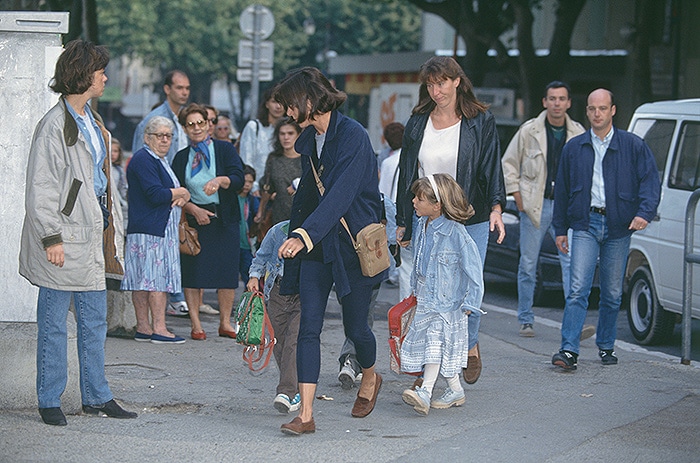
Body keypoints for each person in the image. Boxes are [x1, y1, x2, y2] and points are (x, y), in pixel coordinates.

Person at [19, 39, 137, 426]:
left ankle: (96, 396)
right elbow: (42, 186)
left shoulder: (92, 121)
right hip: (63, 239)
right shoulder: (55, 126)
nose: (105, 76)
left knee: (93, 321)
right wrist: (51, 237)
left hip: (90, 235)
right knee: (53, 324)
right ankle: (49, 399)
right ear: (84, 75)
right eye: (100, 70)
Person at [274, 67, 387, 435]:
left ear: (310, 100)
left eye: (292, 105)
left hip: (353, 246)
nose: (289, 114)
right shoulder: (310, 140)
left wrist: (305, 234)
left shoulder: (353, 135)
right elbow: (307, 196)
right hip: (317, 247)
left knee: (357, 327)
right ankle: (305, 415)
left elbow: (342, 194)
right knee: (308, 327)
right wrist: (293, 237)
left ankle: (370, 374)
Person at [396, 56, 506, 386]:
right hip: (428, 219)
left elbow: (491, 166)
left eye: (442, 82)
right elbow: (407, 173)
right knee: (429, 292)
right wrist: (404, 219)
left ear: (457, 81)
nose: (436, 90)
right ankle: (428, 365)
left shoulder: (479, 120)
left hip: (469, 216)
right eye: (430, 84)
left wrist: (497, 207)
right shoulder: (418, 122)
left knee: (466, 287)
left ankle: (468, 345)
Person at [551, 89, 661, 371]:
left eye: (602, 108)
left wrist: (644, 213)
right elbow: (561, 191)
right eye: (591, 109)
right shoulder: (574, 148)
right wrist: (560, 229)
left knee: (612, 292)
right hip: (585, 223)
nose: (597, 114)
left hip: (619, 226)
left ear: (613, 110)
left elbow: (650, 181)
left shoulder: (633, 145)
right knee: (577, 289)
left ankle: (606, 346)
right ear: (586, 112)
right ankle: (568, 350)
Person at [501, 81, 585, 337]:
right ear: (544, 102)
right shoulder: (530, 130)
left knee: (570, 265)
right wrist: (518, 197)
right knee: (528, 264)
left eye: (561, 98)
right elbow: (509, 163)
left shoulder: (579, 133)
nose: (557, 103)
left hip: (565, 209)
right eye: (552, 98)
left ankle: (573, 323)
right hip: (536, 206)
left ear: (569, 103)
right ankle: (526, 318)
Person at [400, 174, 483, 415]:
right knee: (438, 346)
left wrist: (471, 303)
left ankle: (425, 391)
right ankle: (455, 389)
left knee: (434, 342)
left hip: (446, 303)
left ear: (437, 205)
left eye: (420, 198)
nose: (414, 201)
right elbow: (420, 261)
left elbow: (474, 271)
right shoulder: (421, 226)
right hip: (425, 295)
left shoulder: (456, 233)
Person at [171, 104, 245, 341]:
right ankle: (196, 324)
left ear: (208, 125)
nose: (196, 128)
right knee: (193, 273)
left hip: (224, 219)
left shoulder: (224, 149)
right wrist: (193, 208)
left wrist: (220, 180)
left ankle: (225, 322)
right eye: (190, 124)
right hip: (195, 222)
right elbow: (175, 191)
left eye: (200, 123)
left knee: (227, 274)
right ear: (184, 128)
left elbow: (238, 178)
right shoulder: (182, 157)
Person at [120, 116, 190, 344]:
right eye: (159, 136)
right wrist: (180, 192)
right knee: (155, 281)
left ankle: (144, 328)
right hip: (151, 230)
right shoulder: (144, 159)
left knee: (143, 280)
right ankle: (159, 329)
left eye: (168, 136)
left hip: (153, 229)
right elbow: (156, 194)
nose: (165, 140)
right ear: (147, 138)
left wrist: (179, 194)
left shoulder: (158, 160)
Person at [132, 70, 191, 318]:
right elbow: (143, 167)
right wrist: (177, 192)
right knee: (150, 273)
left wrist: (180, 194)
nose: (184, 92)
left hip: (171, 203)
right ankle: (154, 324)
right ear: (167, 89)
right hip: (154, 209)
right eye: (179, 87)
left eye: (187, 88)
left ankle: (171, 305)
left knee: (164, 265)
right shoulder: (154, 120)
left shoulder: (180, 119)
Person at [246, 220, 301, 414]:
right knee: (278, 342)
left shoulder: (318, 232)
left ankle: (287, 391)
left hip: (304, 295)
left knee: (294, 342)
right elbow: (261, 257)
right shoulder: (278, 230)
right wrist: (254, 276)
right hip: (278, 291)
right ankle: (295, 384)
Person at [238, 87, 286, 193]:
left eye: (282, 102)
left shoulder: (290, 130)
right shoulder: (254, 127)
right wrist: (253, 187)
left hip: (281, 192)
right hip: (256, 191)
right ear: (267, 104)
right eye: (274, 101)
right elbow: (246, 160)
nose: (278, 106)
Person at [256, 118, 302, 227]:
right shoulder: (274, 159)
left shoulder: (308, 158)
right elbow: (268, 187)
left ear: (299, 135)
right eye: (282, 134)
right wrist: (260, 212)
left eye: (290, 133)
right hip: (279, 215)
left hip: (303, 214)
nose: (286, 137)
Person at [238, 165, 259, 285]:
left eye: (250, 182)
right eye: (245, 181)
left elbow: (257, 215)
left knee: (248, 272)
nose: (247, 185)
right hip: (233, 244)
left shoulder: (252, 200)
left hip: (247, 244)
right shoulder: (232, 198)